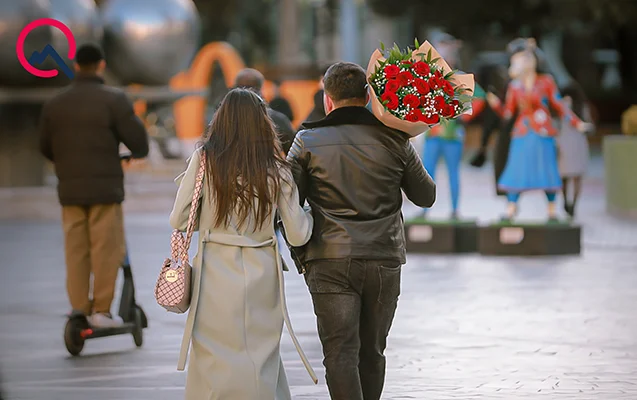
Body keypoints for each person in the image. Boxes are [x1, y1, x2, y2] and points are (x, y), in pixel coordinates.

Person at [287, 62, 436, 400]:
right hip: (384, 257)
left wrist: (301, 252)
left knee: (339, 353)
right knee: (373, 351)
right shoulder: (396, 140)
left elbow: (288, 202)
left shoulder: (307, 140)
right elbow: (426, 196)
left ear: (327, 99)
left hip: (329, 259)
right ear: (368, 96)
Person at [170, 88, 316, 400]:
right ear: (262, 123)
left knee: (213, 357)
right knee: (260, 356)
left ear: (221, 121)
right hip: (262, 272)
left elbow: (179, 219)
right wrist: (308, 210)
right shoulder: (276, 168)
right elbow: (299, 235)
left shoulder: (204, 160)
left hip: (213, 270)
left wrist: (211, 215)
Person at [39, 43, 148, 328]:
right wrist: (132, 153)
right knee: (105, 249)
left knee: (76, 250)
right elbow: (139, 143)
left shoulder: (55, 103)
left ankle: (78, 309)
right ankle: (101, 310)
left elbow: (45, 147)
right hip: (105, 191)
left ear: (76, 66)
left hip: (70, 191)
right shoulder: (113, 100)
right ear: (101, 65)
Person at [486, 38, 593, 221]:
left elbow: (560, 105)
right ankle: (512, 206)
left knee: (547, 171)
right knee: (516, 170)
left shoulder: (546, 82)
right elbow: (508, 113)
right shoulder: (515, 86)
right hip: (522, 133)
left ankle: (551, 208)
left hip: (543, 132)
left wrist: (577, 123)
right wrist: (496, 104)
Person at [420, 31, 486, 219]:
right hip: (433, 133)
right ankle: (424, 210)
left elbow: (480, 97)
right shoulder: (428, 76)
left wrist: (463, 115)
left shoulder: (459, 77)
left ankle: (455, 210)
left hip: (453, 133)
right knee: (426, 172)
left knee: (453, 173)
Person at [233, 68, 296, 155]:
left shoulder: (223, 119)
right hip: (268, 168)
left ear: (234, 88)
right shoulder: (277, 119)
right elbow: (294, 154)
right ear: (261, 88)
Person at [557, 83, 594, 218]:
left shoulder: (561, 104)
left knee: (564, 176)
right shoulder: (582, 106)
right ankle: (574, 204)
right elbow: (589, 125)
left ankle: (565, 200)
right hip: (579, 143)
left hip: (564, 142)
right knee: (577, 177)